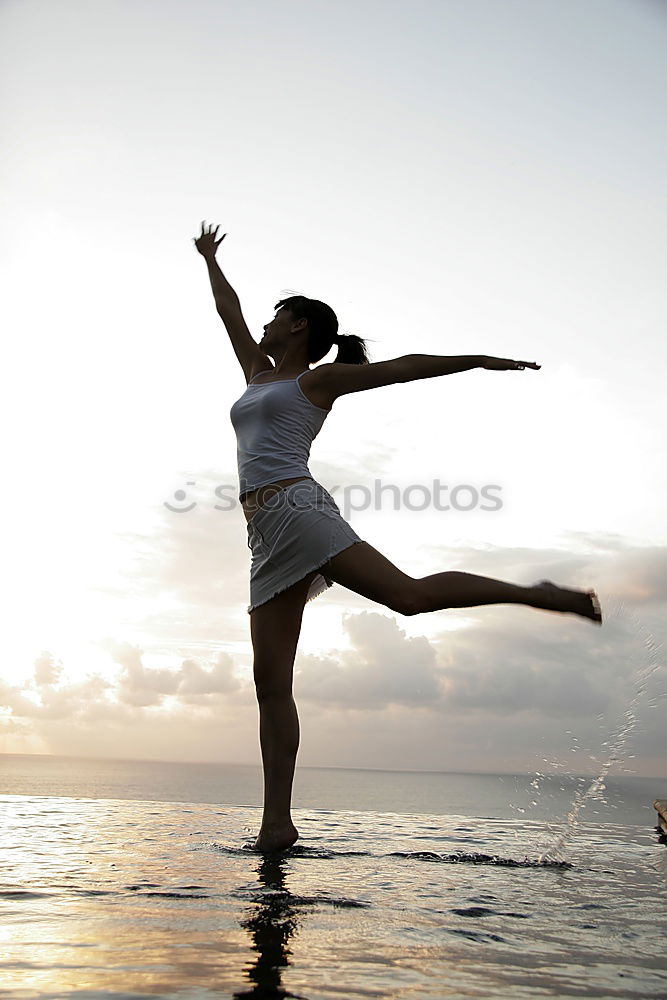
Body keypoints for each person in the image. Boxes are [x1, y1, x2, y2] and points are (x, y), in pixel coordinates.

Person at [193, 221, 602, 854]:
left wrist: (480, 360)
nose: (268, 327)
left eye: (279, 319)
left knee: (407, 598)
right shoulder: (258, 371)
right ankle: (277, 823)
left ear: (300, 326)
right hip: (263, 535)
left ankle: (539, 594)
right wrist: (210, 260)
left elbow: (405, 368)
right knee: (270, 683)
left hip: (300, 511)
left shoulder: (316, 382)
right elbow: (229, 312)